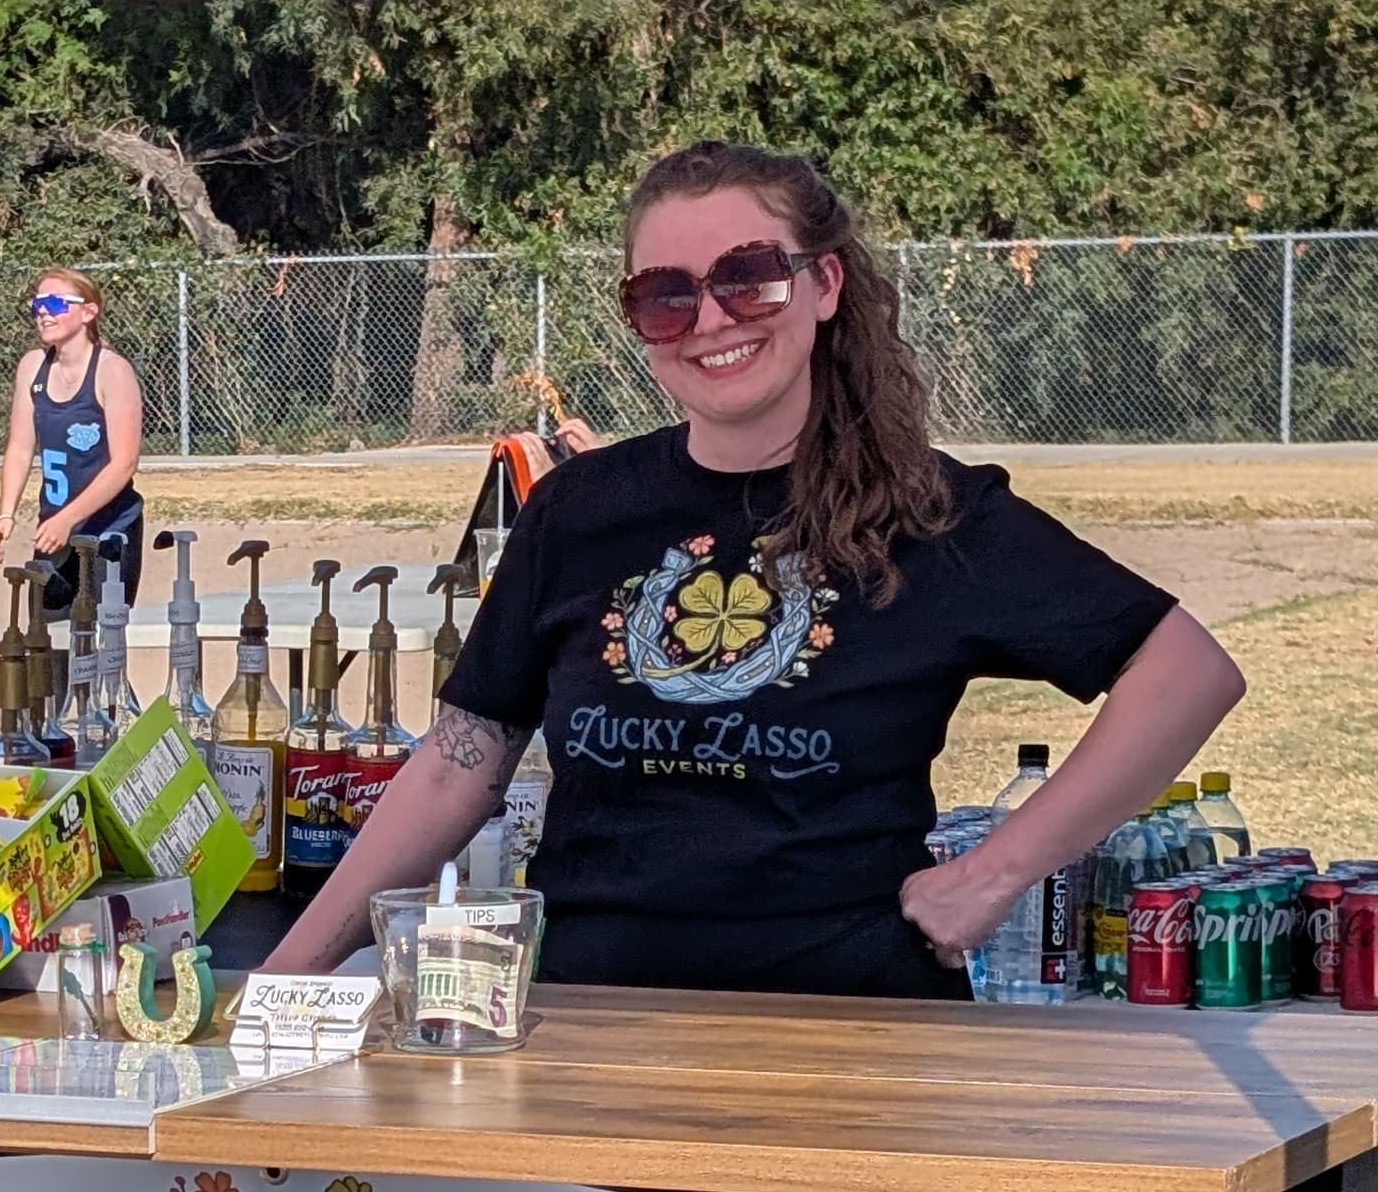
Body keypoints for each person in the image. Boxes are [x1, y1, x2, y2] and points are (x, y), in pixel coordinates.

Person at [265, 140, 1244, 998]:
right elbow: (456, 766)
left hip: (844, 1046)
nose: (711, 318)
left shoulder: (926, 511)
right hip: (590, 1039)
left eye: (751, 277)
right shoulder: (578, 509)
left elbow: (1185, 672)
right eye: (666, 295)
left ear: (825, 285)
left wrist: (997, 871)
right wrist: (286, 979)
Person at [0, 268, 146, 618]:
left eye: (56, 303)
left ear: (88, 312)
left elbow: (124, 463)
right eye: (38, 304)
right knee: (45, 641)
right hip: (53, 532)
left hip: (108, 532)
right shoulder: (33, 366)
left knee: (101, 641)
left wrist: (68, 519)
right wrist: (6, 513)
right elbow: (20, 447)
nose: (43, 311)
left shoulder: (112, 371)